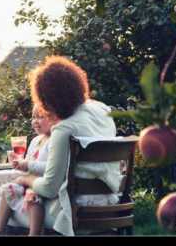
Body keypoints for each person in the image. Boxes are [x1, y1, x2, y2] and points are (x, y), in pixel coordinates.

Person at [11, 56, 122, 236]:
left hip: (75, 212)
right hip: (111, 202)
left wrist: (26, 179)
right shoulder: (102, 110)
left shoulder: (64, 129)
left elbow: (49, 188)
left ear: (48, 99)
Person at [0, 105, 59, 236]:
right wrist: (18, 162)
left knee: (32, 199)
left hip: (43, 183)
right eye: (33, 117)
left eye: (41, 117)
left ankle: (35, 233)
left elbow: (52, 166)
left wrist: (28, 165)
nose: (35, 121)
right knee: (8, 189)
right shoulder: (36, 140)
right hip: (29, 181)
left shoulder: (55, 140)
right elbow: (28, 161)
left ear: (55, 119)